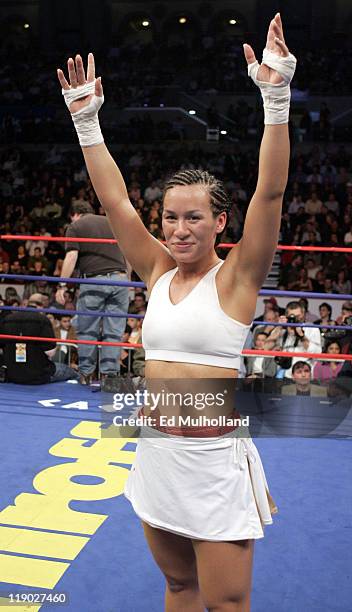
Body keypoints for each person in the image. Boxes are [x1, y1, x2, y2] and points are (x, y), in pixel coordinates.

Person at [57, 14, 295, 609]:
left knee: (227, 602)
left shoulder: (237, 278)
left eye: (194, 217)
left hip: (213, 461)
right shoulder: (157, 271)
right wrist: (87, 122)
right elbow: (114, 198)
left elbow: (269, 192)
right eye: (170, 217)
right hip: (156, 450)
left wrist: (276, 96)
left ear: (220, 223)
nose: (179, 228)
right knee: (179, 586)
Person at [55, 202, 129, 386]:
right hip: (120, 280)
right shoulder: (113, 222)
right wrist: (127, 279)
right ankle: (109, 376)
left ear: (75, 214)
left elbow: (71, 256)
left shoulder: (76, 226)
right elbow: (129, 254)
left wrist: (62, 285)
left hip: (95, 281)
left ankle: (86, 375)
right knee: (115, 331)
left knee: (88, 330)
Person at [0, 293, 78, 384]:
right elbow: (51, 351)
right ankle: (84, 381)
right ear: (41, 305)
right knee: (71, 372)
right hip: (38, 374)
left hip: (12, 374)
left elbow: (1, 346)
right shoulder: (42, 319)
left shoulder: (9, 319)